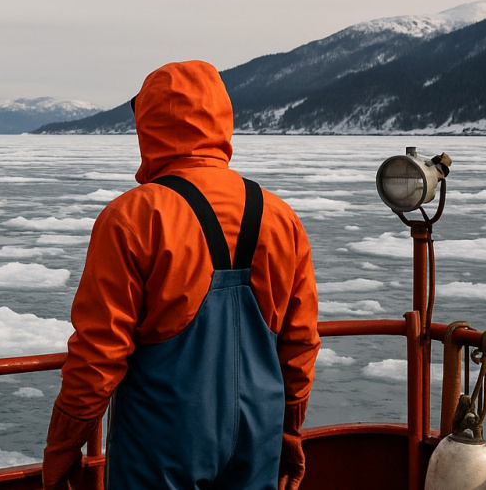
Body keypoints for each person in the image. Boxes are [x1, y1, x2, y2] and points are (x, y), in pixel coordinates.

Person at [42, 60, 319, 490]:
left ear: (149, 124)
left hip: (162, 440)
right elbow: (300, 342)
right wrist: (289, 430)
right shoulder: (280, 217)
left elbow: (99, 352)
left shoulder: (134, 216)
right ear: (221, 118)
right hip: (258, 433)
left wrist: (63, 446)